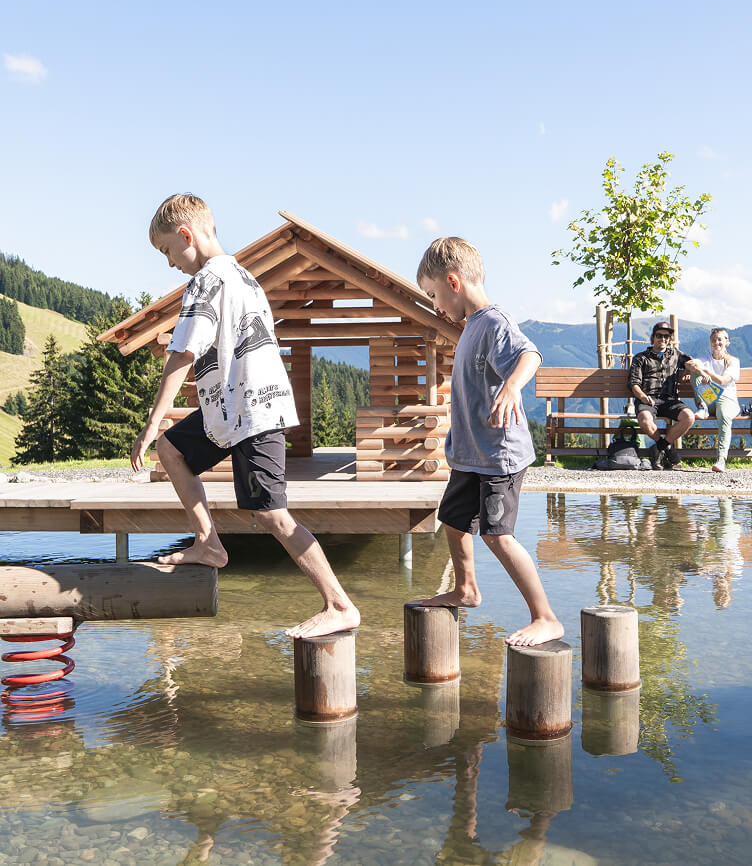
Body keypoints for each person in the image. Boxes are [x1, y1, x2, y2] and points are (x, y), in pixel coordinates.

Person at [130, 193, 360, 639]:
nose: (170, 262)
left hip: (251, 412)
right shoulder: (244, 278)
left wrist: (152, 420)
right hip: (232, 409)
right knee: (173, 448)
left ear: (186, 235)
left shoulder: (206, 281)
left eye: (167, 251)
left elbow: (182, 355)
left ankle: (339, 604)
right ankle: (209, 544)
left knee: (271, 515)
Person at [415, 236, 563, 647]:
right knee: (453, 521)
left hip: (498, 457)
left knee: (497, 534)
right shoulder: (471, 326)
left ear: (453, 281)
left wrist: (513, 386)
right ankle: (466, 590)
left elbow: (529, 354)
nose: (435, 305)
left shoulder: (494, 321)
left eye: (433, 294)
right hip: (470, 456)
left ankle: (546, 617)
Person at [628, 321, 700, 470]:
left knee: (689, 417)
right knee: (644, 419)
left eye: (667, 336)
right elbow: (633, 383)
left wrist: (688, 370)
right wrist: (642, 396)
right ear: (653, 337)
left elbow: (692, 362)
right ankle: (667, 450)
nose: (663, 339)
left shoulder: (676, 354)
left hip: (670, 400)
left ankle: (659, 448)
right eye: (659, 335)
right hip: (648, 399)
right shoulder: (640, 358)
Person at [691, 327, 741, 473]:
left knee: (725, 416)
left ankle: (721, 460)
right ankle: (702, 407)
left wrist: (706, 372)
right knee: (695, 372)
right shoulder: (705, 359)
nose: (716, 342)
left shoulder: (733, 361)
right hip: (710, 401)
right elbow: (689, 364)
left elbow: (722, 381)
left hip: (728, 401)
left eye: (720, 339)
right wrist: (699, 371)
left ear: (727, 342)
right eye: (713, 340)